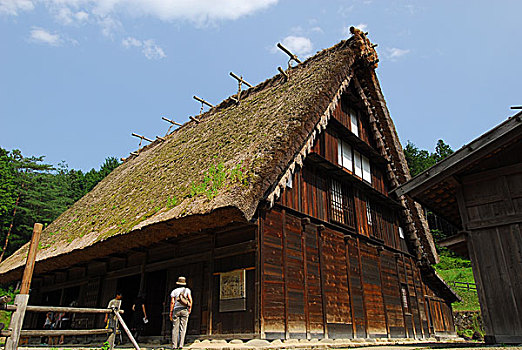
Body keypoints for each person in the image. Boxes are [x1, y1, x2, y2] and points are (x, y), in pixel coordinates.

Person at [170, 277, 192, 349]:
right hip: (184, 310)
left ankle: (174, 346)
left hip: (176, 310)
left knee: (175, 328)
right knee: (183, 328)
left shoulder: (174, 291)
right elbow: (190, 300)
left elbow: (172, 302)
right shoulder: (187, 290)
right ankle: (181, 345)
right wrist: (190, 308)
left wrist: (171, 312)